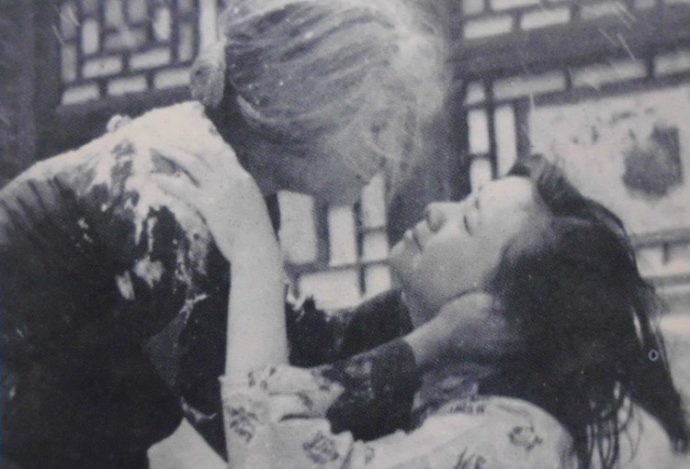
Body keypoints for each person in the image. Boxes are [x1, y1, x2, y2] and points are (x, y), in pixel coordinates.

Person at [0, 1, 447, 467]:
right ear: (309, 105)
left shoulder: (225, 172)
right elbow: (248, 431)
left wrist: (424, 315)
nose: (387, 152)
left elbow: (290, 352)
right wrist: (432, 345)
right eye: (377, 125)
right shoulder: (179, 189)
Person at [163, 152, 689, 468]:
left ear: (498, 313)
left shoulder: (499, 438)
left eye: (467, 220)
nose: (437, 210)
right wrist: (428, 343)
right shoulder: (456, 381)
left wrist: (255, 249)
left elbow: (271, 454)